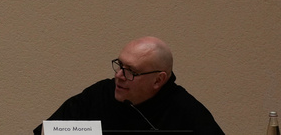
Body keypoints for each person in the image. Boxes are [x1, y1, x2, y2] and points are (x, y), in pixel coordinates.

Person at [33, 37, 224, 135]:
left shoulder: (186, 110)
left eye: (131, 71)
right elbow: (45, 131)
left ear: (158, 80)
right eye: (120, 65)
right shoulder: (99, 94)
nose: (119, 75)